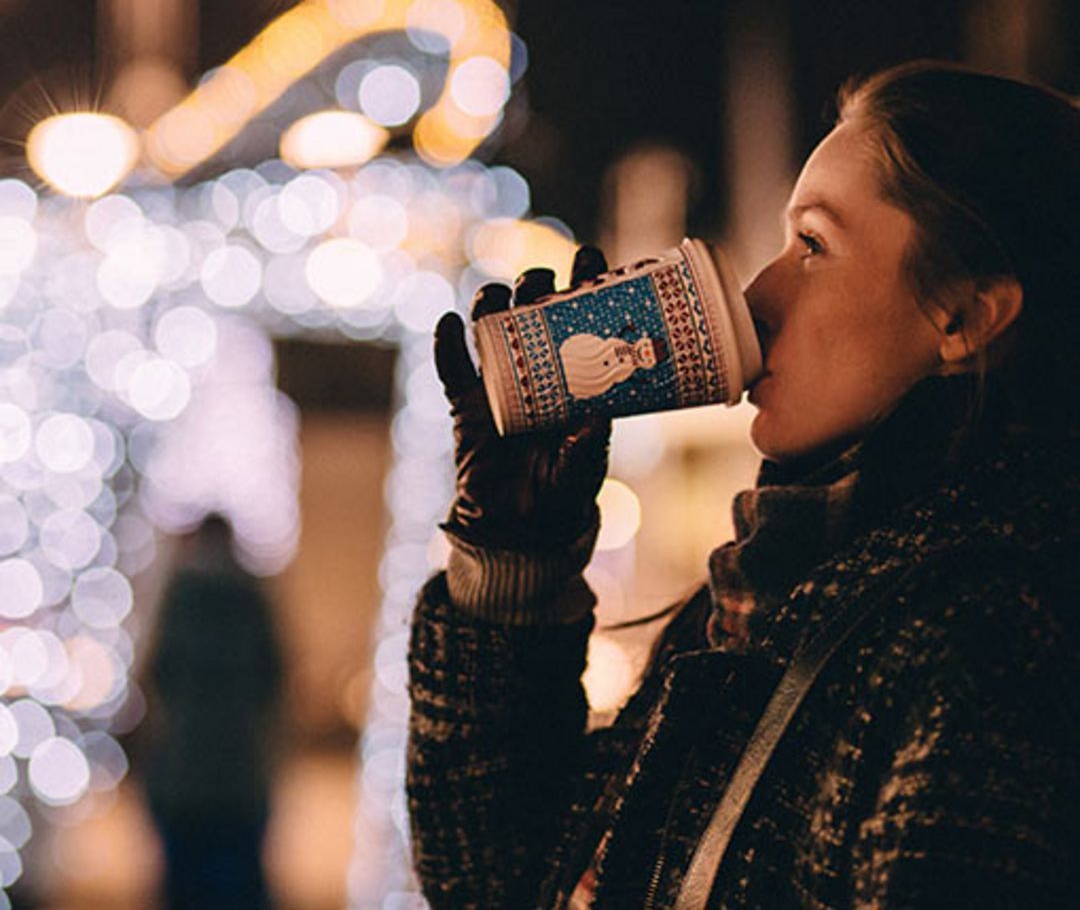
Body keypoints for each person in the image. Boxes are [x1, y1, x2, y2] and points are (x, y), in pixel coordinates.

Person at [406, 60, 1080, 908]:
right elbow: (498, 881)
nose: (760, 293)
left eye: (813, 245)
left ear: (965, 317)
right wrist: (514, 558)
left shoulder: (996, 640)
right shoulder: (770, 592)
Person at [141, 513, 284, 910]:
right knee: (237, 884)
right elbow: (273, 675)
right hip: (238, 771)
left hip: (187, 772)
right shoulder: (251, 596)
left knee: (186, 885)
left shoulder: (180, 597)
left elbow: (158, 672)